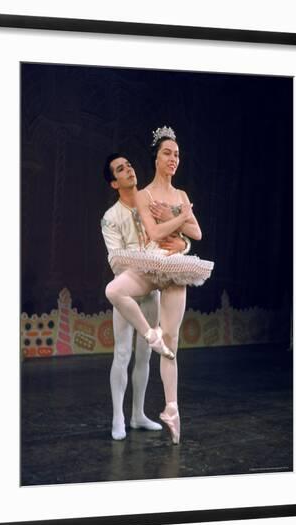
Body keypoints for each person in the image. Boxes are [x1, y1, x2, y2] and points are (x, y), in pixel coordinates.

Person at [105, 127, 214, 444]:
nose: (173, 158)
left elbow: (197, 234)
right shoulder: (141, 197)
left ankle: (171, 409)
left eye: (177, 154)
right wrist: (180, 219)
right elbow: (155, 234)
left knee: (171, 345)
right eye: (167, 152)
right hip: (145, 268)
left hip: (173, 271)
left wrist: (178, 227)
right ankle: (119, 416)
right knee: (116, 299)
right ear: (155, 158)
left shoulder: (180, 196)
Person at [101, 153, 190, 441]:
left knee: (145, 357)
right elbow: (115, 261)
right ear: (114, 183)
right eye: (121, 169)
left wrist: (183, 244)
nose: (129, 170)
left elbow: (172, 235)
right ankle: (118, 417)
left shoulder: (149, 201)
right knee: (122, 353)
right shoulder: (111, 217)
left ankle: (138, 414)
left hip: (151, 290)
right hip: (127, 287)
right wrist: (144, 266)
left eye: (129, 165)